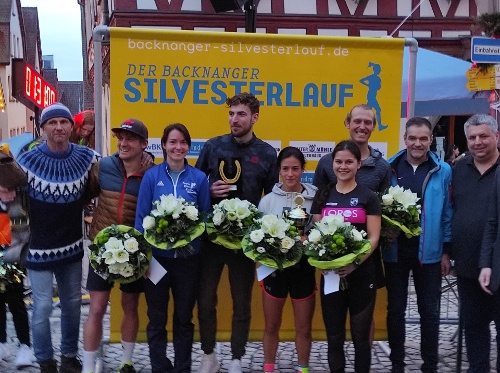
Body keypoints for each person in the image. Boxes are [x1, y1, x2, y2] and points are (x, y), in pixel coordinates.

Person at [0, 102, 100, 373]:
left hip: (71, 248)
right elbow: (14, 200)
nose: (59, 127)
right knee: (42, 307)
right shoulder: (26, 160)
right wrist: (20, 236)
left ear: (71, 126)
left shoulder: (86, 157)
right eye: (52, 123)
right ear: (43, 128)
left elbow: (114, 168)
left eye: (63, 122)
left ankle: (69, 355)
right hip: (37, 249)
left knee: (72, 306)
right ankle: (45, 359)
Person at [195, 92, 278, 373]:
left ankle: (236, 358)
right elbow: (193, 188)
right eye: (231, 114)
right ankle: (209, 354)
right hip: (211, 239)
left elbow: (272, 200)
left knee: (242, 302)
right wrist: (208, 189)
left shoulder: (268, 153)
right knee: (205, 300)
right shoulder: (212, 146)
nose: (234, 119)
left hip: (245, 241)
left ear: (254, 118)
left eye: (241, 114)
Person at [135, 123, 211, 373]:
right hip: (157, 261)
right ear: (164, 145)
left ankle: (182, 368)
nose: (178, 147)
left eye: (183, 143)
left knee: (183, 318)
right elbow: (141, 218)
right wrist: (144, 259)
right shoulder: (151, 176)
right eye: (173, 142)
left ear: (188, 146)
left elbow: (205, 218)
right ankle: (160, 367)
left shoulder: (199, 178)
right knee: (156, 318)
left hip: (188, 261)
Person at [313, 103, 391, 343]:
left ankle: (363, 362)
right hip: (332, 260)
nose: (362, 126)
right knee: (334, 325)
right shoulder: (327, 162)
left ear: (374, 127)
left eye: (368, 122)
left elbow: (386, 210)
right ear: (347, 123)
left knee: (363, 320)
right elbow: (318, 207)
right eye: (357, 121)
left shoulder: (382, 166)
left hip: (366, 257)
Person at [81, 119, 152, 373]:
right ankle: (88, 367)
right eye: (120, 138)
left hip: (134, 252)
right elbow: (85, 195)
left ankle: (126, 362)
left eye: (130, 139)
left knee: (130, 306)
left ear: (143, 144)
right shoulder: (103, 166)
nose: (123, 143)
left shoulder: (152, 172)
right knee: (97, 308)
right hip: (101, 250)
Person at [383, 117, 452, 373]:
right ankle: (397, 364)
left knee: (430, 313)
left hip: (430, 253)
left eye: (423, 138)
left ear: (431, 140)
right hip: (396, 252)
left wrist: (447, 250)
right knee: (396, 311)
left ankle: (430, 365)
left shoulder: (443, 170)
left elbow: (447, 212)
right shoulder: (389, 167)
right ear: (405, 139)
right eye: (413, 138)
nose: (418, 143)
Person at [310, 140, 381, 373]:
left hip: (362, 274)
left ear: (358, 164)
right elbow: (316, 236)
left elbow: (373, 237)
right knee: (334, 339)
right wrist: (323, 260)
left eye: (349, 161)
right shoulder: (322, 195)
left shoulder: (369, 196)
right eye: (339, 162)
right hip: (330, 276)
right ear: (332, 164)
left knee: (361, 340)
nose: (343, 166)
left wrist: (354, 263)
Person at [257, 147, 317, 373]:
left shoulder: (314, 198)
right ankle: (269, 367)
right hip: (275, 270)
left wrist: (309, 239)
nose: (290, 174)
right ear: (279, 170)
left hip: (303, 270)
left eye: (295, 168)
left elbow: (321, 231)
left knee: (303, 327)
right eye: (285, 169)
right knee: (271, 325)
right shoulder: (268, 201)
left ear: (303, 169)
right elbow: (258, 238)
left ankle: (303, 368)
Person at [455, 115, 500, 372]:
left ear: (496, 136)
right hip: (468, 264)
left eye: (483, 136)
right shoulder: (459, 169)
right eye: (472, 137)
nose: (477, 142)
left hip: (499, 264)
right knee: (473, 326)